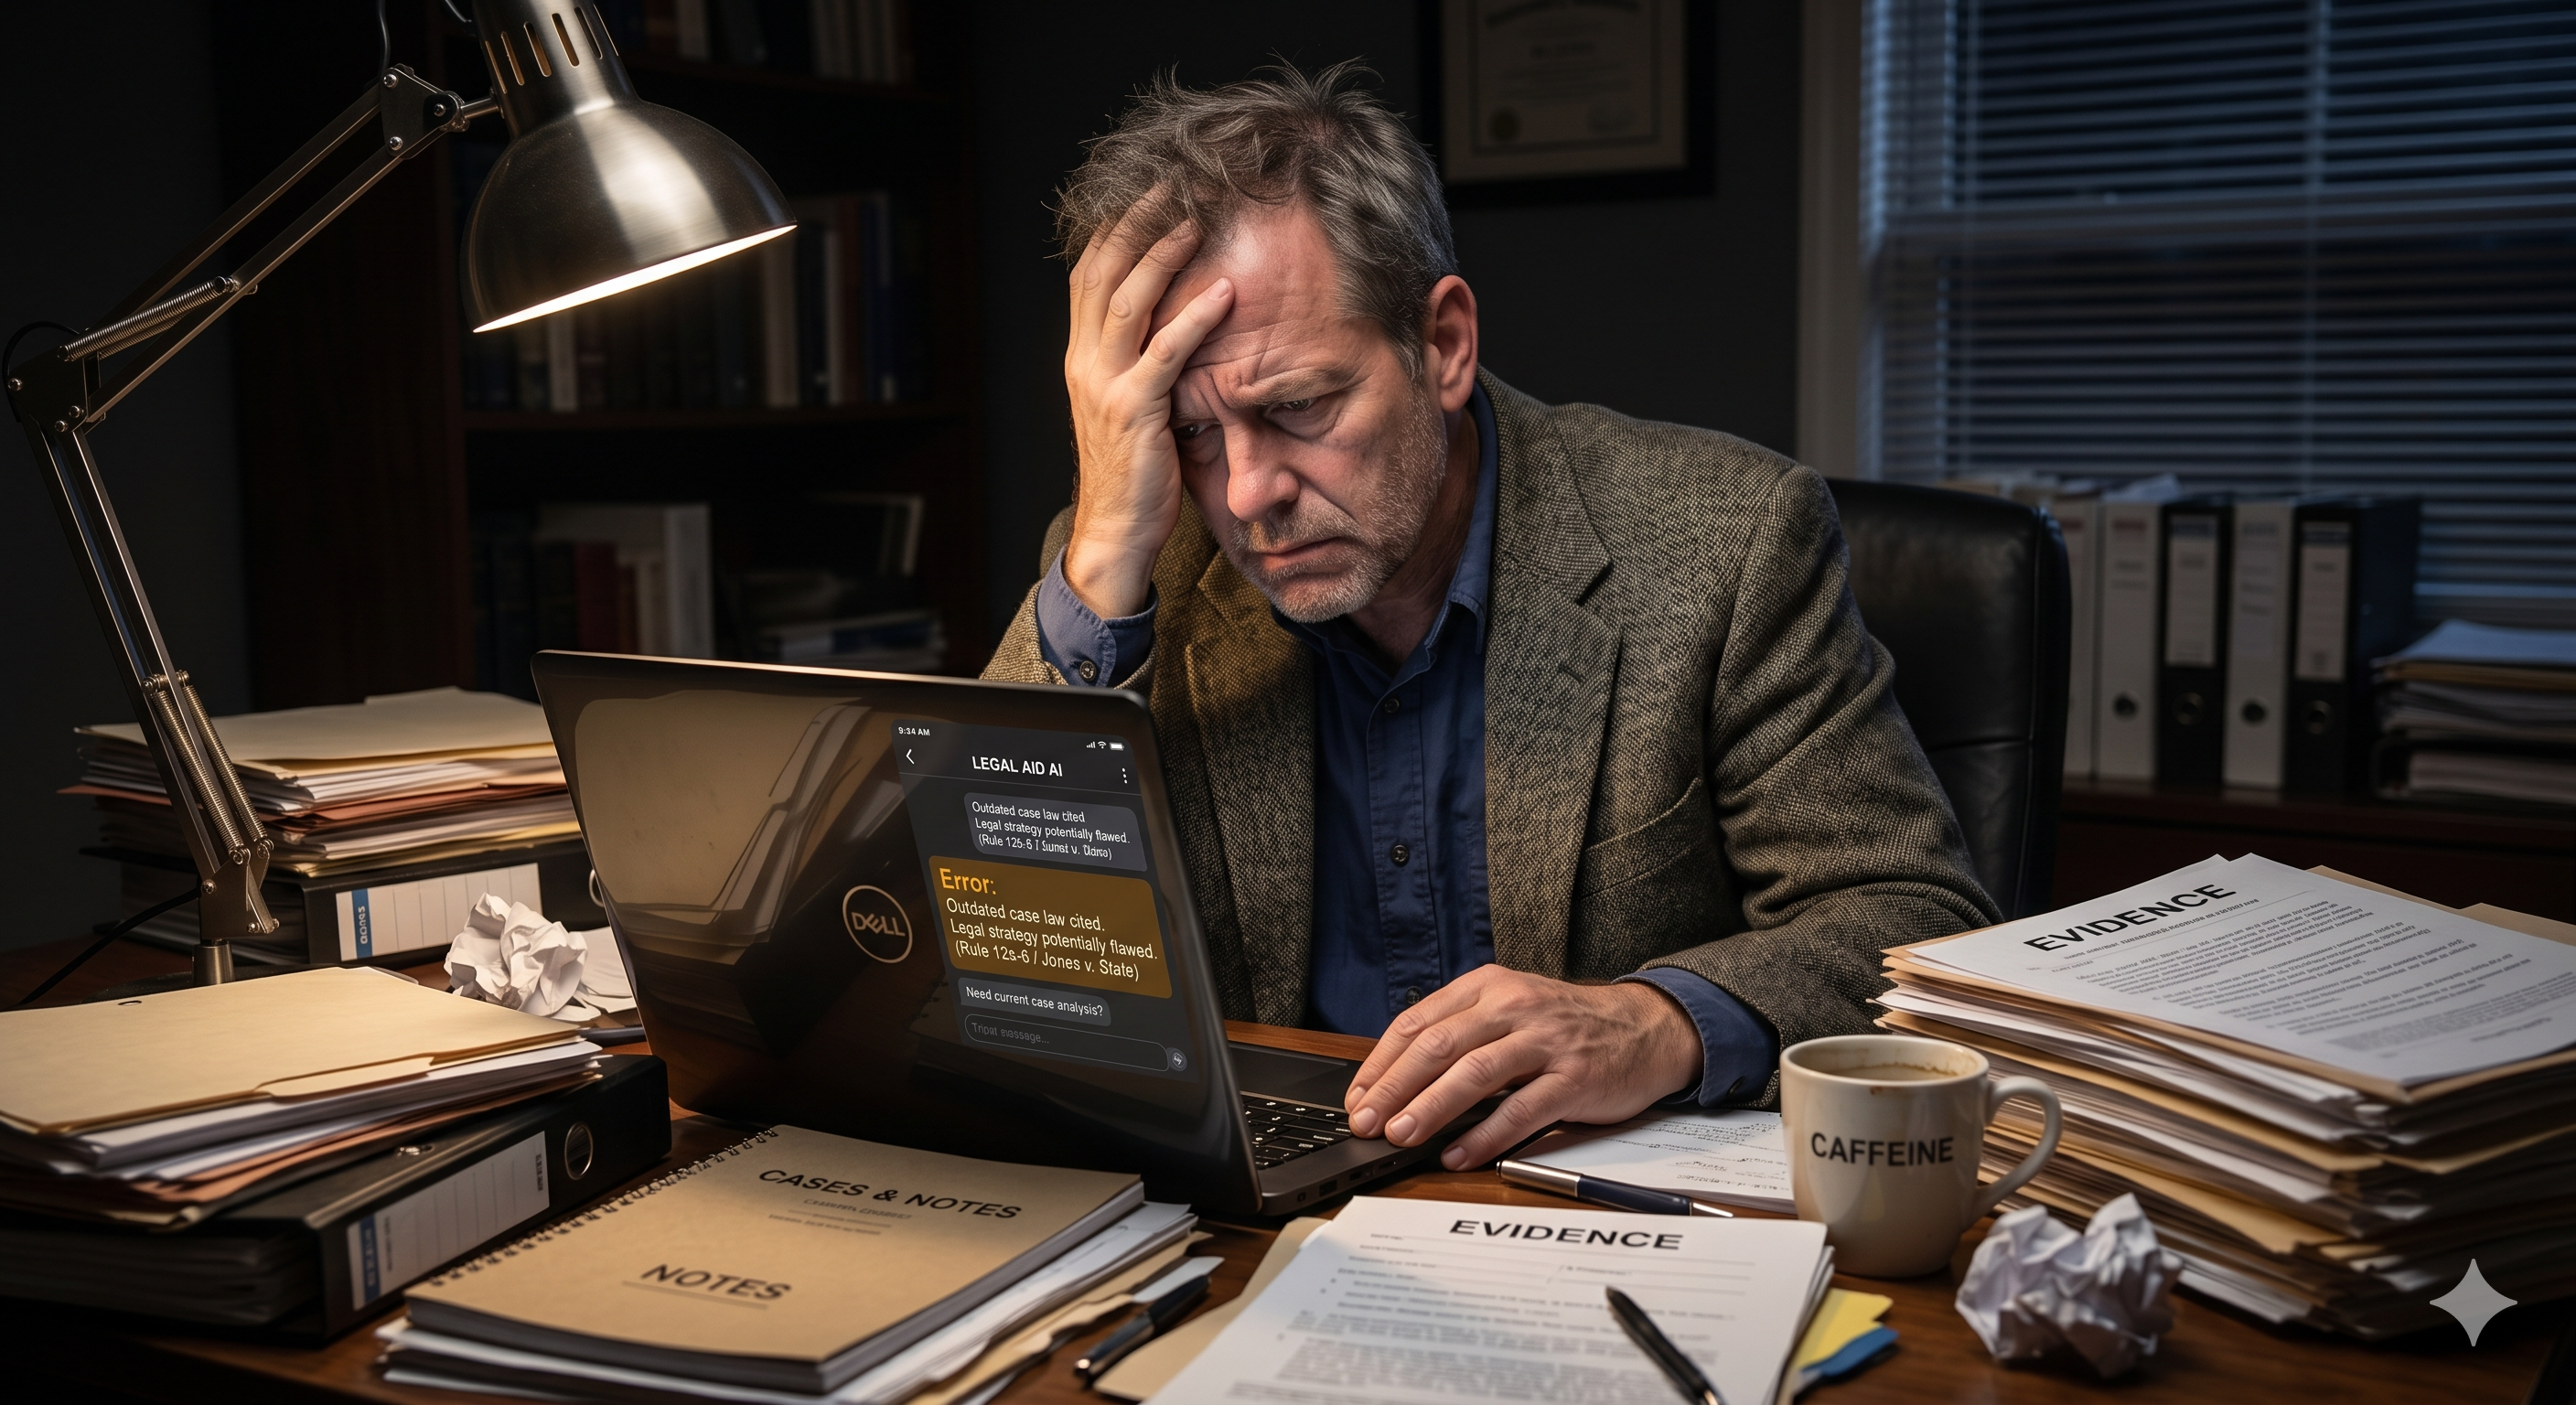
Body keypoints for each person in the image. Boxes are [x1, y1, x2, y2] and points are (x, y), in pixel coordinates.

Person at [983, 63, 1996, 1171]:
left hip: (1597, 1212)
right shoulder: (1129, 572)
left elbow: (1912, 920)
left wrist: (1656, 1023)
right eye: (1187, 428)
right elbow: (1003, 949)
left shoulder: (1729, 541)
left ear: (1443, 344)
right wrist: (1096, 566)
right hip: (1267, 1205)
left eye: (1297, 407)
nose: (1243, 493)